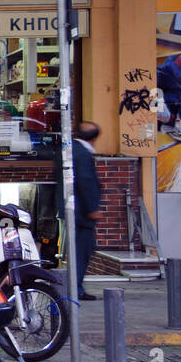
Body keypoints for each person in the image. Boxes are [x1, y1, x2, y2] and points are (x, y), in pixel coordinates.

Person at [72, 121, 102, 301]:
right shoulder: (83, 154)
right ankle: (77, 288)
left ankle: (76, 286)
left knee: (79, 250)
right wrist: (92, 209)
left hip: (75, 210)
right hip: (81, 212)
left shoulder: (72, 150)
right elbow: (85, 181)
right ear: (94, 138)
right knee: (81, 251)